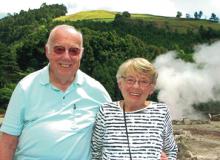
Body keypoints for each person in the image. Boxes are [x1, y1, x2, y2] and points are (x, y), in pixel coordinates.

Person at [0, 24, 112, 160]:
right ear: (47, 51)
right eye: (59, 49)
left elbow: (112, 140)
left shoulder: (97, 92)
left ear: (81, 53)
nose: (66, 57)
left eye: (74, 51)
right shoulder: (25, 88)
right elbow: (7, 143)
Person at [91, 57, 178, 160]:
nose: (136, 86)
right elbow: (95, 152)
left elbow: (171, 150)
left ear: (151, 88)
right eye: (130, 80)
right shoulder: (106, 111)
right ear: (120, 84)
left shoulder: (161, 111)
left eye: (144, 81)